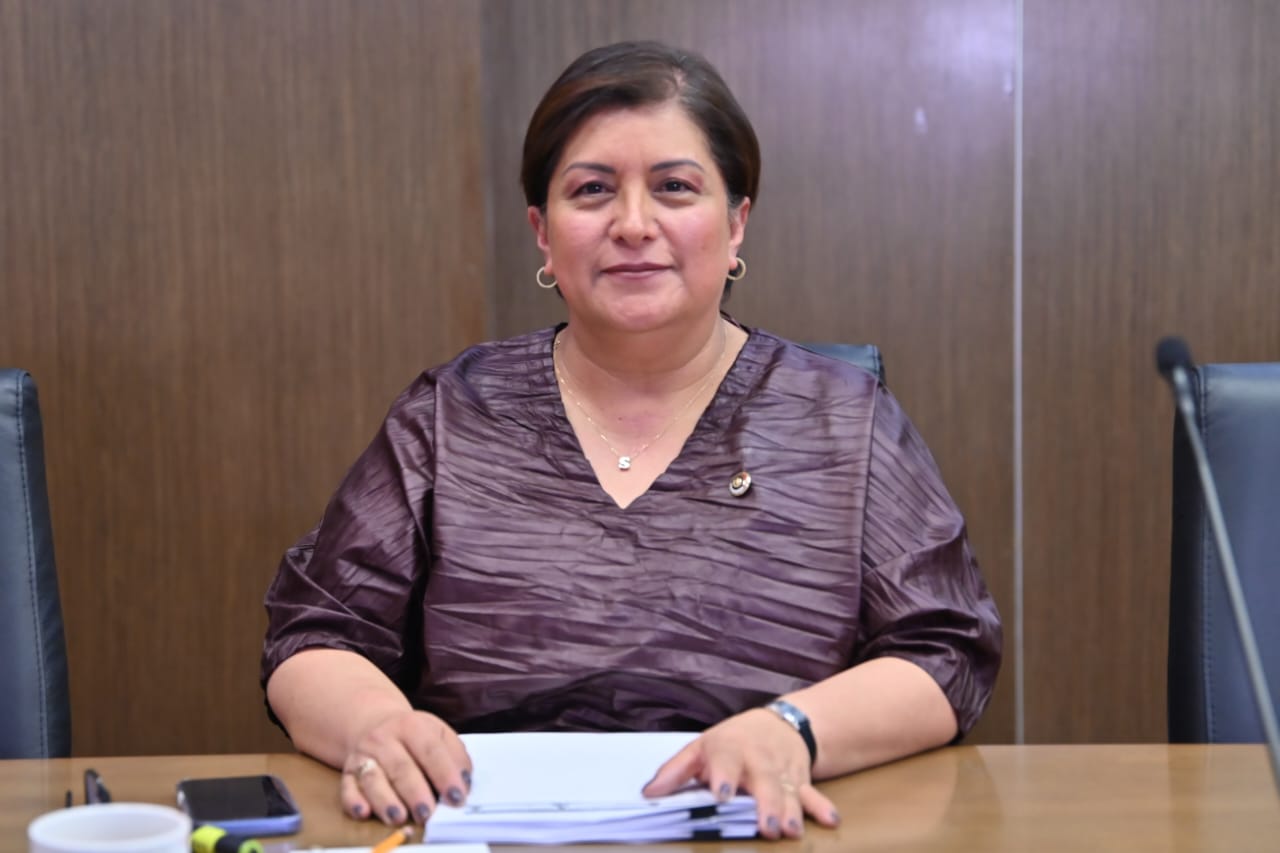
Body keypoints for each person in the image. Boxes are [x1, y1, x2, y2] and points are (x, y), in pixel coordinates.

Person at [261, 40, 1001, 841]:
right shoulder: (450, 416)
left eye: (675, 187)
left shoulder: (844, 421)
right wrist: (373, 723)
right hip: (487, 831)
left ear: (736, 222)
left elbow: (947, 649)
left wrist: (793, 727)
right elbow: (315, 634)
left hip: (764, 828)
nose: (634, 224)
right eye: (592, 191)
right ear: (543, 233)